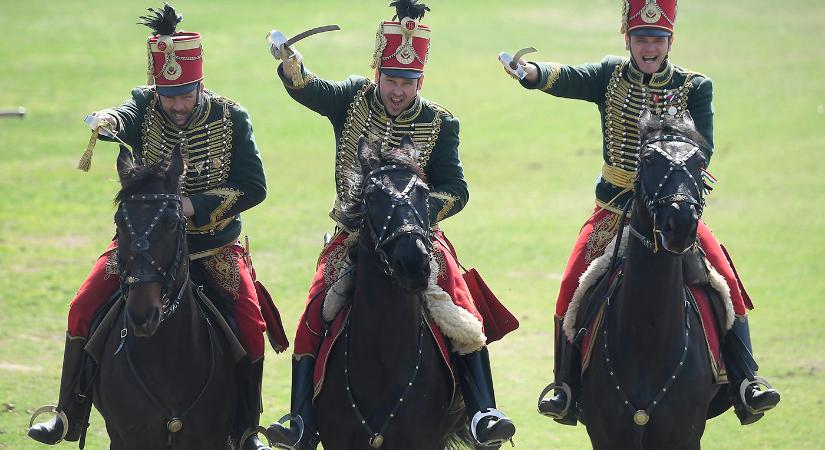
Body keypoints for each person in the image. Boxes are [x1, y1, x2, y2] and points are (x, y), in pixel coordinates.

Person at [499, 0, 780, 426]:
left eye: (657, 39)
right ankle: (565, 386)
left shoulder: (694, 86)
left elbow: (702, 148)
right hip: (613, 209)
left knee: (724, 280)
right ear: (627, 39)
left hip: (670, 209)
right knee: (570, 286)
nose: (649, 47)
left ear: (670, 41)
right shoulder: (610, 75)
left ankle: (746, 379)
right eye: (641, 38)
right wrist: (530, 74)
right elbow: (567, 77)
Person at [264, 1, 516, 448]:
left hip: (418, 236)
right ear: (377, 73)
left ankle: (483, 413)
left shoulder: (440, 123)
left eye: (408, 82)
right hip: (354, 236)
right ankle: (301, 420)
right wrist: (292, 65)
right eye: (392, 80)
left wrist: (412, 215)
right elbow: (311, 89)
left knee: (463, 312)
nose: (398, 91)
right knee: (314, 311)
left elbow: (456, 190)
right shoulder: (352, 99)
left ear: (421, 81)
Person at [27, 5, 272, 449]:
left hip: (212, 247)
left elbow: (254, 186)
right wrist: (107, 121)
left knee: (251, 325)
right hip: (144, 245)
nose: (176, 104)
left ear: (200, 84)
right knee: (83, 305)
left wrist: (192, 206)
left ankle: (245, 428)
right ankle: (67, 414)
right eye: (167, 94)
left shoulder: (232, 118)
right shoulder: (145, 105)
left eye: (184, 94)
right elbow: (123, 113)